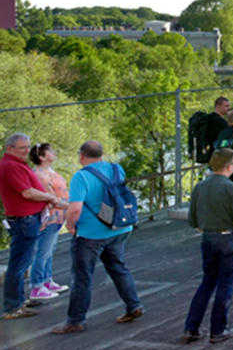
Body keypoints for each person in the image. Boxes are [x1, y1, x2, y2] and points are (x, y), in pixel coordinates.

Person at [53, 140, 143, 334]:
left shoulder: (81, 177)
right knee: (118, 268)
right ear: (101, 154)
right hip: (119, 228)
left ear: (81, 155)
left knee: (82, 276)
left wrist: (69, 225)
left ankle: (76, 320)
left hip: (91, 234)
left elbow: (75, 208)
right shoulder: (116, 169)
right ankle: (133, 305)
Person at [181, 148, 233, 344]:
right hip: (229, 238)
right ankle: (218, 330)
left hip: (208, 237)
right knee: (226, 283)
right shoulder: (232, 188)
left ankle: (191, 327)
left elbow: (192, 218)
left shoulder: (200, 187)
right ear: (229, 166)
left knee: (207, 282)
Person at [2, 133, 69, 320]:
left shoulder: (17, 165)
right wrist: (50, 198)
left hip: (29, 219)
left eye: (27, 147)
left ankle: (18, 300)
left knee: (22, 262)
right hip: (24, 220)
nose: (26, 151)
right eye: (22, 148)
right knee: (19, 264)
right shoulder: (11, 166)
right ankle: (12, 307)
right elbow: (28, 193)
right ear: (10, 148)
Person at [29, 143, 70, 301]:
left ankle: (47, 280)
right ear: (41, 157)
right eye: (50, 151)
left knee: (50, 249)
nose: (54, 152)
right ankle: (37, 285)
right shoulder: (39, 174)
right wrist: (72, 207)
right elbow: (50, 197)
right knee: (43, 251)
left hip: (59, 215)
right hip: (50, 216)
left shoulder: (49, 171)